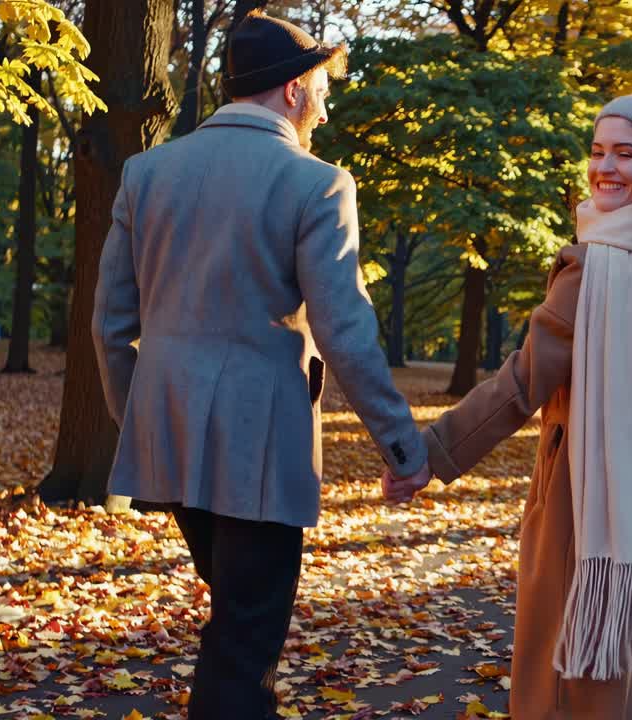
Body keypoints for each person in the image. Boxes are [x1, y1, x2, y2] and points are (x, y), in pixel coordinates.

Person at [387, 92, 632, 718]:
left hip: (592, 478)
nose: (604, 168)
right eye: (597, 151)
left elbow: (522, 382)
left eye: (625, 154)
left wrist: (431, 454)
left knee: (573, 664)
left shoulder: (594, 265)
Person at [91, 11, 429, 719]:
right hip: (261, 444)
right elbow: (344, 328)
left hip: (169, 431)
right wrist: (402, 447)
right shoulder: (317, 183)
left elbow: (111, 324)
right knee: (246, 637)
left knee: (236, 619)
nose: (325, 111)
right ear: (294, 90)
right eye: (321, 92)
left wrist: (139, 423)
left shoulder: (146, 172)